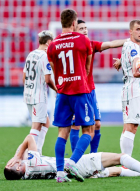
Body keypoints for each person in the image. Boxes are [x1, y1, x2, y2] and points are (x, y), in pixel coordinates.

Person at [47, 9, 94, 183]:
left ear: (61, 23)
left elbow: (53, 68)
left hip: (62, 92)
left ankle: (60, 174)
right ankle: (72, 163)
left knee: (62, 133)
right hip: (80, 91)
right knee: (88, 130)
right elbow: (87, 68)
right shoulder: (83, 40)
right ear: (74, 23)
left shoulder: (52, 45)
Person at [70, 19, 128, 154]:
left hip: (90, 91)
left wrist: (128, 40)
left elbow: (111, 44)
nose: (85, 30)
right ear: (74, 31)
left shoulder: (90, 44)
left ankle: (93, 155)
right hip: (76, 91)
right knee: (76, 125)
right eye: (81, 28)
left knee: (97, 124)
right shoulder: (70, 47)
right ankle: (75, 159)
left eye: (85, 28)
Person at [4, 134, 140, 181]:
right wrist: (17, 155)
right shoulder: (31, 161)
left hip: (72, 174)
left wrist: (18, 159)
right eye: (12, 164)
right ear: (18, 167)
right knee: (120, 156)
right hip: (76, 165)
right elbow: (29, 139)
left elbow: (25, 150)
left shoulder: (25, 176)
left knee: (116, 170)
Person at [112, 20, 140, 157]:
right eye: (138, 29)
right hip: (134, 90)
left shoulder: (127, 45)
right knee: (131, 127)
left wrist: (120, 61)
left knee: (129, 126)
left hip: (129, 89)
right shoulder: (134, 48)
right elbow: (135, 66)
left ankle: (125, 159)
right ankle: (126, 161)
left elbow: (127, 57)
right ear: (131, 31)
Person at [23, 30, 57, 156]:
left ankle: (38, 151)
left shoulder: (30, 54)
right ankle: (30, 156)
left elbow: (24, 76)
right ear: (49, 42)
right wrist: (57, 90)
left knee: (45, 122)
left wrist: (28, 88)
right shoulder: (44, 56)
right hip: (38, 96)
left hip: (28, 94)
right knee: (36, 126)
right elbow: (48, 79)